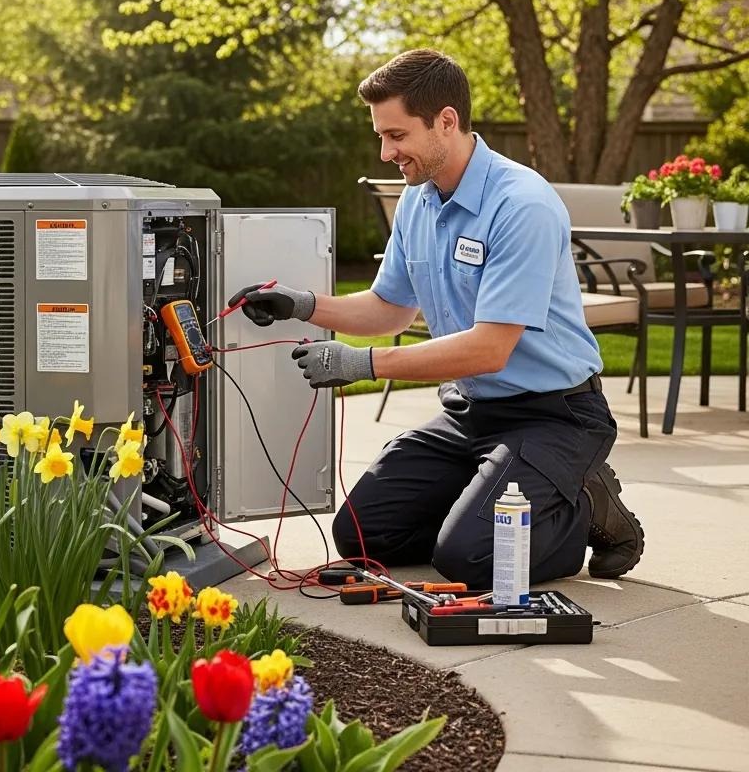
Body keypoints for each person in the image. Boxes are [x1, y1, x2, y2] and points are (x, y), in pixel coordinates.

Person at [228, 48, 644, 588]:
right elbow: (389, 308)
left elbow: (490, 348)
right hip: (471, 412)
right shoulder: (418, 201)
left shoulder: (522, 205)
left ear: (446, 121)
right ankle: (487, 504)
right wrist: (305, 305)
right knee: (361, 534)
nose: (385, 153)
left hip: (554, 414)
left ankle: (586, 503)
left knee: (469, 561)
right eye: (381, 136)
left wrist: (364, 364)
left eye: (396, 135)